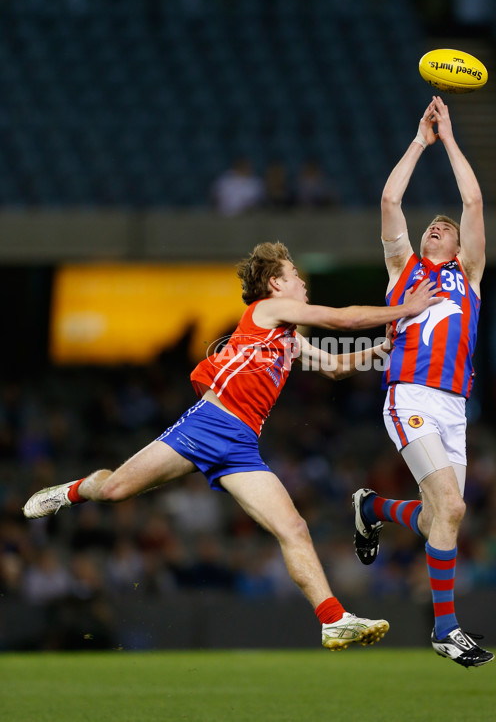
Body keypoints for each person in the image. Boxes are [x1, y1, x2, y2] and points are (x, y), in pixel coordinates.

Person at [23, 241, 440, 651]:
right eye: (296, 276)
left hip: (241, 445)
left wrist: (386, 348)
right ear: (276, 283)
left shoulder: (290, 339)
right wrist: (407, 308)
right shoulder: (267, 310)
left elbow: (334, 367)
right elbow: (341, 321)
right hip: (208, 424)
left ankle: (334, 621)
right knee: (114, 490)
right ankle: (68, 492)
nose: (303, 284)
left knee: (293, 527)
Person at [352, 96, 494, 667]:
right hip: (408, 394)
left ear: (460, 249)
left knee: (441, 515)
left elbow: (474, 199)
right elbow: (390, 199)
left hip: (455, 406)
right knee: (453, 509)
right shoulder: (403, 269)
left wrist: (452, 138)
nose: (437, 228)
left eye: (446, 229)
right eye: (432, 226)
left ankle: (372, 508)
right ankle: (446, 628)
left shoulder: (471, 278)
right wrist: (421, 140)